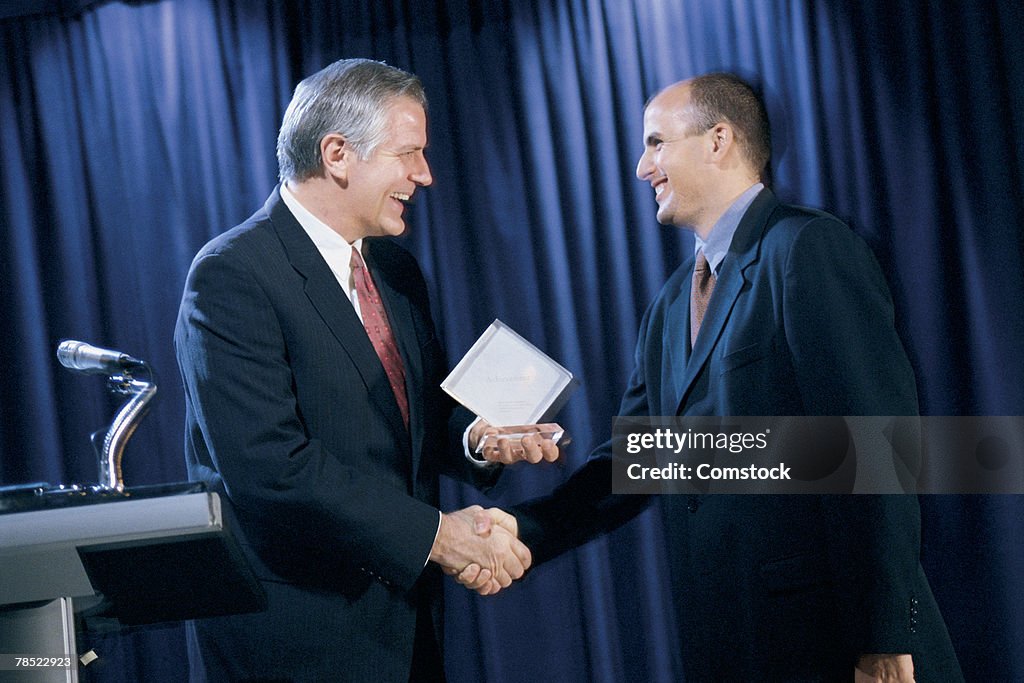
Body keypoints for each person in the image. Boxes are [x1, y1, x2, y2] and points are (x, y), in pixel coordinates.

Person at [465, 73, 964, 681]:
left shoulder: (806, 250)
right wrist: (524, 528)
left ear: (718, 139)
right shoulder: (671, 306)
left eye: (655, 143)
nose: (642, 168)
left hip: (837, 643)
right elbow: (635, 460)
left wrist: (884, 637)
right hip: (732, 644)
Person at [174, 58, 556, 683]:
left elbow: (415, 415)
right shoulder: (232, 274)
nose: (425, 175)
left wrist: (478, 437)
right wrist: (438, 537)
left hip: (405, 627)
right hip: (295, 637)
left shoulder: (396, 271)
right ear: (337, 154)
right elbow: (269, 468)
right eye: (409, 154)